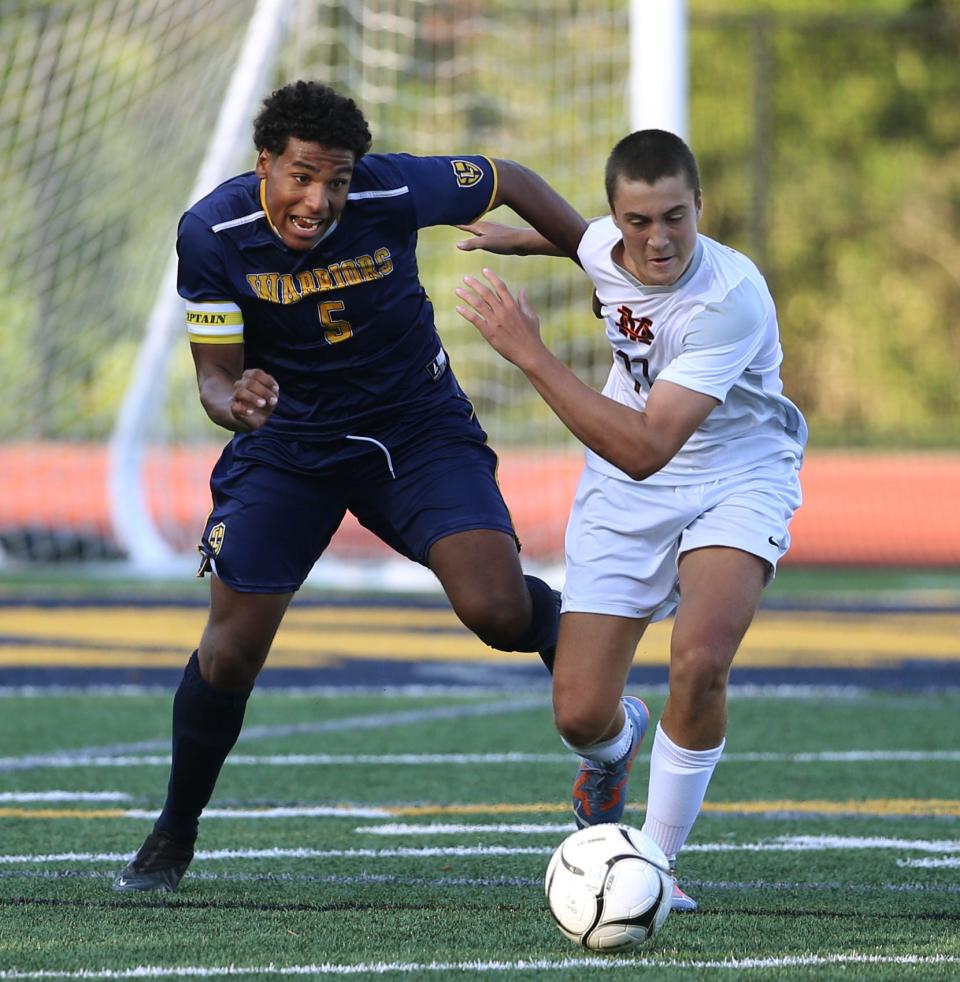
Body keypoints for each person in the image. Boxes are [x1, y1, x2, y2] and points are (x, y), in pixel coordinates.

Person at [112, 80, 587, 893]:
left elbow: (504, 175)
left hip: (413, 423)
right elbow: (215, 381)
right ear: (265, 164)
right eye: (301, 177)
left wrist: (594, 254)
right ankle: (174, 829)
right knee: (229, 653)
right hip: (289, 444)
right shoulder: (211, 233)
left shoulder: (394, 187)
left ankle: (592, 686)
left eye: (336, 181)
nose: (319, 199)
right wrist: (240, 403)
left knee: (498, 611)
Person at [454, 129, 807, 911]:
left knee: (700, 661)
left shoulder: (728, 298)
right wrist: (533, 238)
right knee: (580, 713)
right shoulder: (603, 245)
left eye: (676, 218)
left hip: (735, 475)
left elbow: (648, 446)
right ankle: (616, 747)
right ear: (614, 217)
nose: (658, 240)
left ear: (700, 207)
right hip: (628, 490)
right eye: (638, 223)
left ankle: (655, 859)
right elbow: (520, 186)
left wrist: (531, 353)